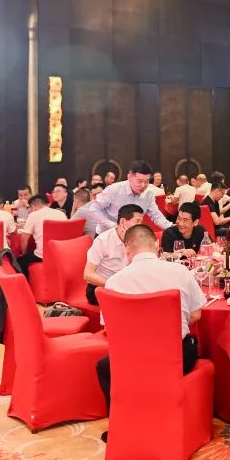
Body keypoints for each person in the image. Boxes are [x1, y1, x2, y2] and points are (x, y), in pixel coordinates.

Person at [95, 224, 204, 440]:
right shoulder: (180, 271)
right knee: (191, 346)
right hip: (175, 356)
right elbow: (196, 315)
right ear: (156, 245)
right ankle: (171, 421)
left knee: (104, 367)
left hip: (133, 358)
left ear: (127, 250)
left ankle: (121, 428)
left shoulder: (115, 282)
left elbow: (110, 329)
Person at [89, 160, 173, 235]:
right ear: (129, 177)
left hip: (131, 237)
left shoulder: (148, 194)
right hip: (107, 235)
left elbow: (156, 216)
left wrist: (172, 227)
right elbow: (93, 208)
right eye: (139, 181)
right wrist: (112, 225)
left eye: (146, 181)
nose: (143, 185)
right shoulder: (114, 190)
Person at [83, 204, 145, 306]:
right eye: (137, 221)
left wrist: (128, 243)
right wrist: (114, 284)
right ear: (123, 222)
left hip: (126, 285)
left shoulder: (136, 239)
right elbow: (88, 275)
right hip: (101, 288)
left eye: (141, 222)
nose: (140, 226)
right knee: (132, 304)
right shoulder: (103, 240)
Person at [16, 194, 67, 274]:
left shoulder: (34, 215)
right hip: (61, 254)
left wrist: (23, 253)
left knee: (20, 260)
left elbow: (24, 238)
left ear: (33, 207)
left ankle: (28, 281)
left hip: (43, 256)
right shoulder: (61, 213)